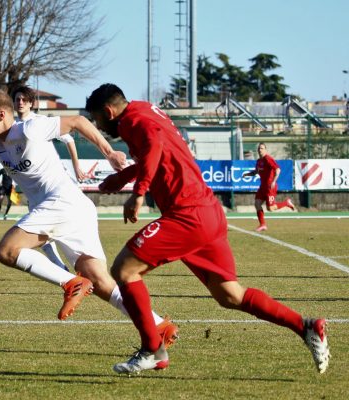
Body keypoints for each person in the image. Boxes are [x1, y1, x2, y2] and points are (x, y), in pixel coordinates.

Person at [85, 83, 329, 374]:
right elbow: (161, 152)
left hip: (187, 214)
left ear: (109, 112)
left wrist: (139, 193)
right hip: (208, 211)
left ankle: (153, 349)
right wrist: (123, 177)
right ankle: (306, 326)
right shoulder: (146, 111)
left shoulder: (132, 121)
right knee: (230, 295)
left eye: (97, 119)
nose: (98, 125)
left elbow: (153, 147)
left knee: (124, 270)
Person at [0, 89, 179, 348]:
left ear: (1, 114)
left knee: (7, 251)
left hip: (62, 203)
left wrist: (109, 152)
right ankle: (159, 326)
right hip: (73, 208)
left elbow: (77, 121)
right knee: (101, 283)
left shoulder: (30, 128)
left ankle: (71, 282)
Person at [12, 85, 81, 272]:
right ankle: (61, 268)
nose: (20, 102)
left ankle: (79, 268)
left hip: (52, 188)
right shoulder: (12, 127)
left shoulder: (40, 121)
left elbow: (69, 139)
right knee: (40, 233)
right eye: (17, 99)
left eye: (24, 100)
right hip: (33, 191)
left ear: (31, 103)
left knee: (62, 232)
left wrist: (77, 166)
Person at [242, 142, 295, 232]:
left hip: (270, 186)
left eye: (262, 148)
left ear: (265, 150)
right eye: (259, 148)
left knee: (270, 208)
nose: (260, 150)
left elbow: (278, 169)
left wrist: (274, 181)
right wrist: (247, 174)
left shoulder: (268, 159)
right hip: (263, 186)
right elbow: (256, 172)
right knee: (257, 203)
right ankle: (262, 225)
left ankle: (287, 203)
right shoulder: (259, 161)